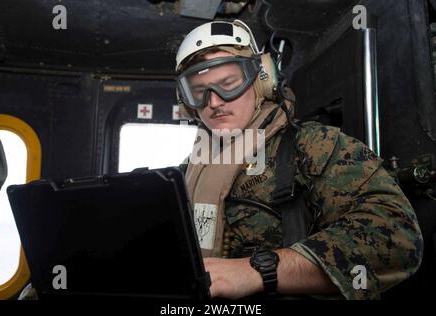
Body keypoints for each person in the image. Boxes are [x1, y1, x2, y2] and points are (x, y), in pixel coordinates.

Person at [176, 19, 423, 300]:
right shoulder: (190, 168)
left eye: (229, 83)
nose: (215, 101)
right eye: (199, 91)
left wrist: (259, 272)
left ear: (261, 79)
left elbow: (395, 236)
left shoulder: (313, 146)